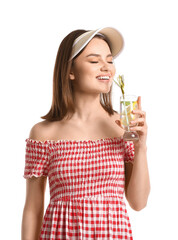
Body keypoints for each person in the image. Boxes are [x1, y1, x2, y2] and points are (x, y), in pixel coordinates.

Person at [21, 27, 150, 240]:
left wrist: (141, 146)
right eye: (94, 61)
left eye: (110, 61)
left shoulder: (121, 126)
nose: (106, 68)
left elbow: (138, 202)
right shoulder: (43, 133)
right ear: (70, 71)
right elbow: (33, 209)